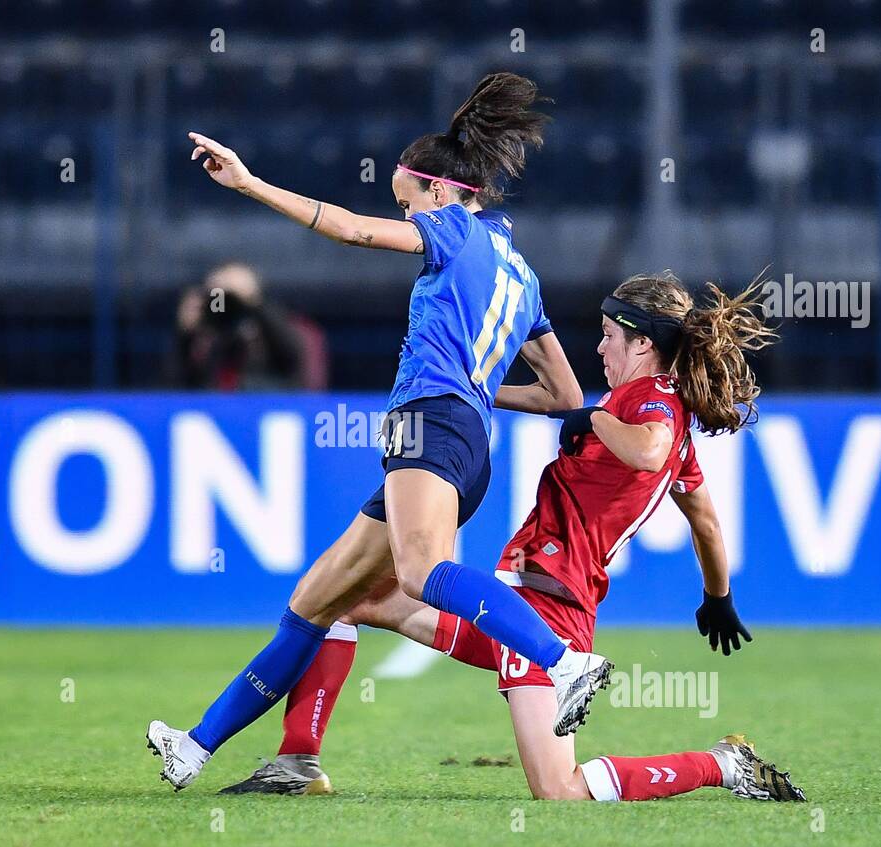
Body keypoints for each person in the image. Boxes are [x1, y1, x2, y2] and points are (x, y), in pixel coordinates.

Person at [148, 74, 613, 792]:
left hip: (431, 426)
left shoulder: (451, 229)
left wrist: (249, 184)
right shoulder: (523, 277)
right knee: (318, 602)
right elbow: (567, 394)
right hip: (465, 440)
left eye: (407, 201)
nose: (403, 214)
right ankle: (196, 748)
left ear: (441, 192)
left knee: (422, 573)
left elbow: (354, 230)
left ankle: (562, 661)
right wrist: (483, 387)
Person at [220, 271, 805, 806]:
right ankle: (298, 762)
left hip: (549, 612)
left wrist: (593, 418)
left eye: (607, 335)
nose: (600, 348)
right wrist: (718, 596)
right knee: (352, 597)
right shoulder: (656, 414)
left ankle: (721, 765)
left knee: (560, 791)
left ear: (642, 343)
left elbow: (648, 450)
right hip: (518, 595)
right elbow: (702, 518)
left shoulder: (646, 402)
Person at [164, 261, 314, 391]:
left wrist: (250, 302)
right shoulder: (203, 338)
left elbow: (294, 362)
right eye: (219, 299)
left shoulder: (275, 331)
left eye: (230, 299)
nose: (227, 306)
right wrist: (186, 336)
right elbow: (172, 387)